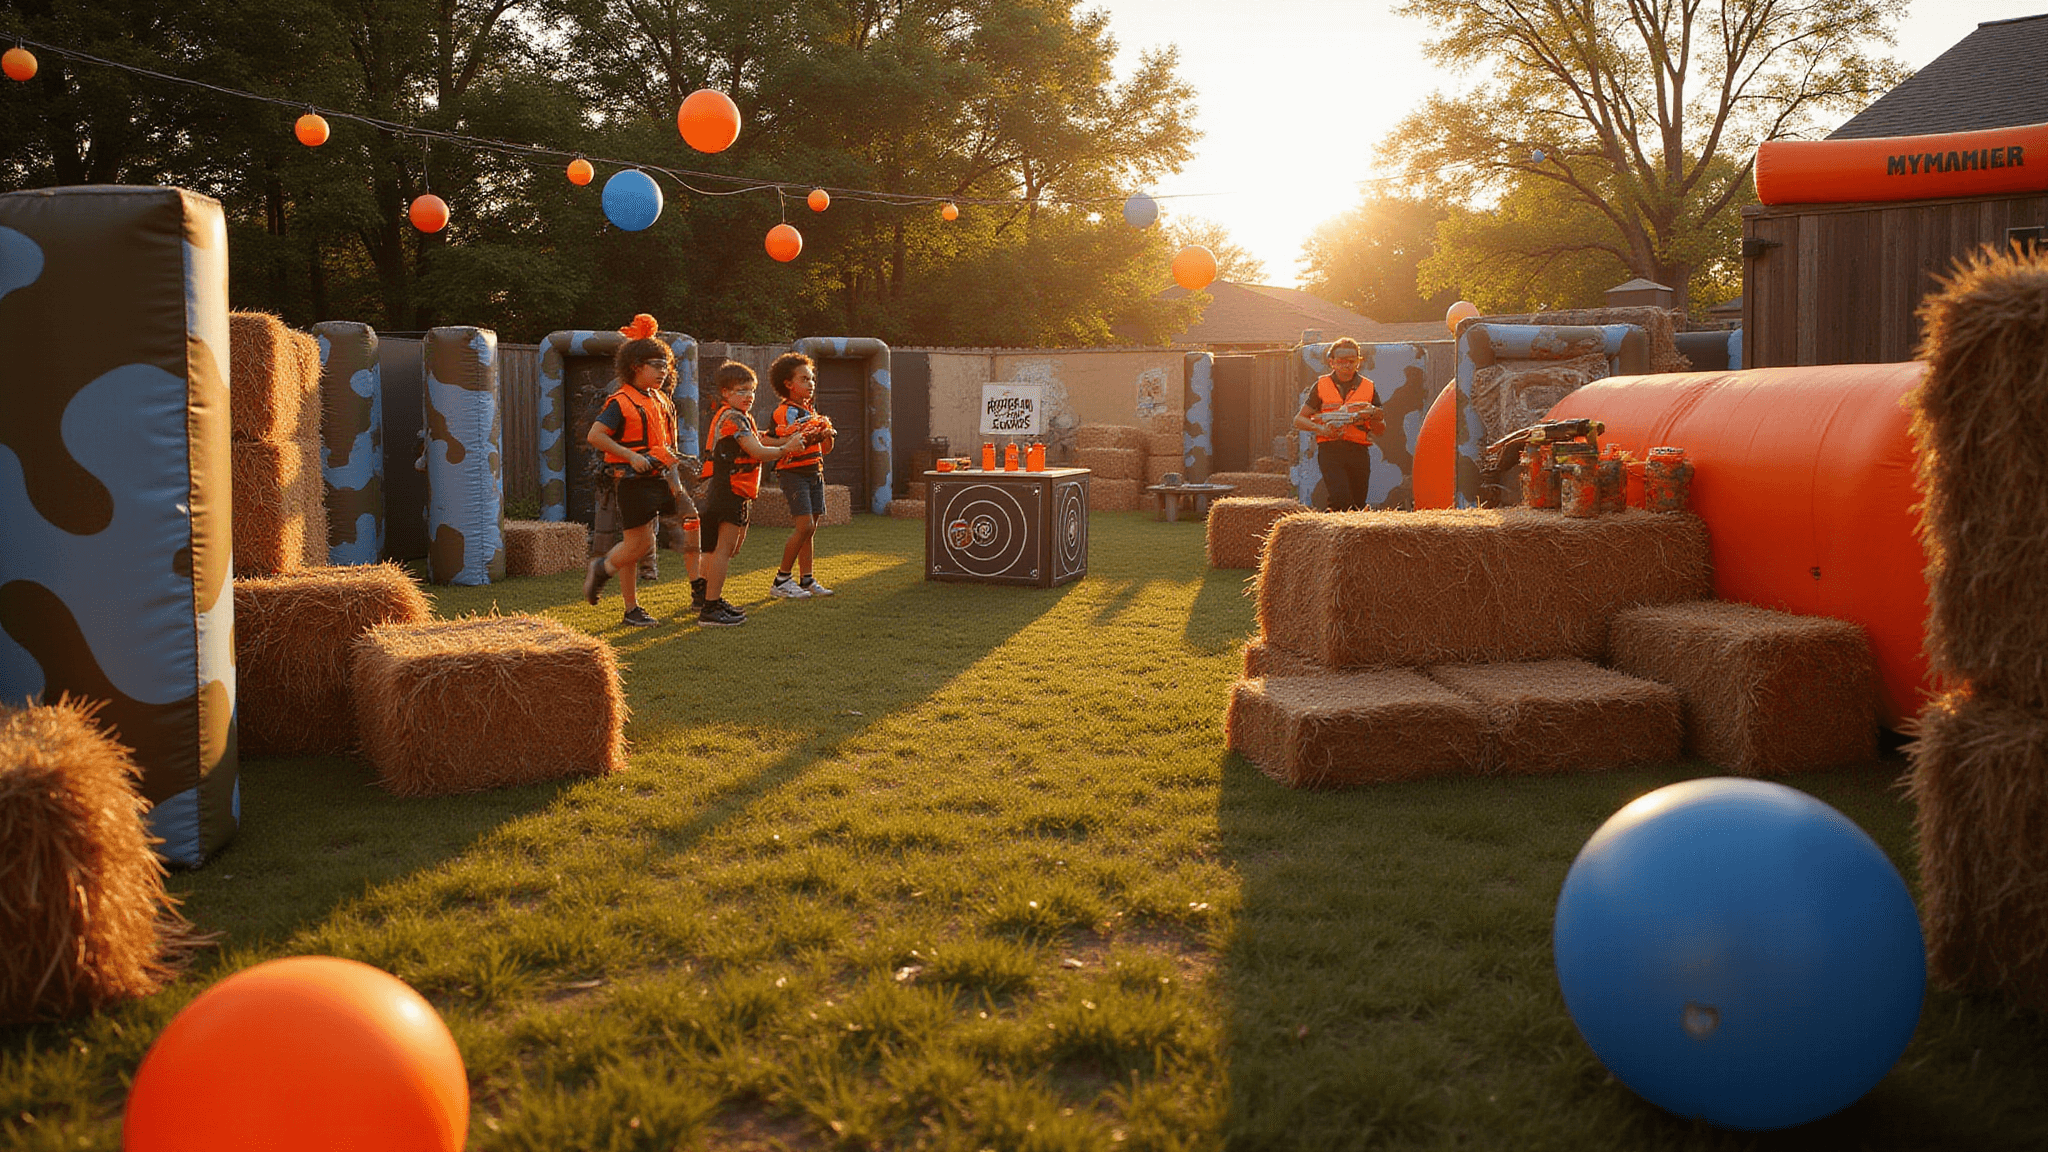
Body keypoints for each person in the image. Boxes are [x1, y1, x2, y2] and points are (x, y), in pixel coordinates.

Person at [582, 332, 698, 626]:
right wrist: (631, 456)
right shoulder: (620, 402)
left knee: (691, 522)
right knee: (638, 544)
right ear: (635, 366)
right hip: (632, 481)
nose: (664, 372)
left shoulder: (662, 400)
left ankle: (702, 595)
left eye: (666, 366)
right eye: (657, 365)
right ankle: (620, 594)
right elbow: (595, 436)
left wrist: (678, 482)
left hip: (662, 478)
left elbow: (667, 447)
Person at [694, 362, 812, 627]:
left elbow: (761, 440)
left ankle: (706, 597)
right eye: (741, 391)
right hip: (727, 489)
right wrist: (788, 449)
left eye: (752, 390)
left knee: (725, 549)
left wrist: (790, 438)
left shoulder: (739, 416)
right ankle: (710, 607)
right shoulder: (733, 418)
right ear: (725, 393)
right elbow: (758, 451)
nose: (748, 396)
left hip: (732, 490)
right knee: (723, 550)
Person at [767, 352, 837, 598]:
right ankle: (781, 580)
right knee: (804, 525)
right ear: (788, 384)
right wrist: (806, 435)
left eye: (812, 378)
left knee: (810, 528)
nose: (811, 383)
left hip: (814, 471)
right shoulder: (785, 411)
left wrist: (826, 434)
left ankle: (807, 579)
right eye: (804, 379)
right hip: (793, 473)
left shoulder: (811, 411)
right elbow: (776, 439)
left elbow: (825, 450)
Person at [1292, 336, 1384, 511]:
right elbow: (1299, 420)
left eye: (1351, 361)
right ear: (1332, 362)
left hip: (1358, 451)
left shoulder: (1368, 387)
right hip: (1330, 450)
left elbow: (1381, 427)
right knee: (1341, 499)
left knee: (1357, 505)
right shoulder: (1321, 385)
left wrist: (1372, 414)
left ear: (1358, 362)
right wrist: (1321, 429)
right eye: (1341, 361)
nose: (1346, 365)